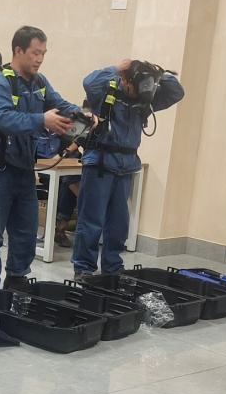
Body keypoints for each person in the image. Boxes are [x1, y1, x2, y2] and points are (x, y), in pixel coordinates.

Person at [0, 26, 86, 291]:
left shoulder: (39, 82)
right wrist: (42, 120)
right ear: (18, 51)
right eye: (35, 53)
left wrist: (83, 115)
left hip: (25, 168)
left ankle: (16, 279)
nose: (39, 59)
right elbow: (3, 119)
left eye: (43, 54)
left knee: (25, 233)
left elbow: (59, 103)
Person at [71, 59, 184, 279]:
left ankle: (113, 266)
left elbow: (176, 92)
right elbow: (89, 82)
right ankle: (83, 268)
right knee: (91, 220)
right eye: (133, 87)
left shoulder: (144, 97)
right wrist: (116, 68)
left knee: (118, 222)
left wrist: (156, 74)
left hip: (125, 166)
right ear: (123, 78)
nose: (136, 93)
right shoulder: (105, 91)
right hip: (100, 163)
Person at [35, 130, 80, 247]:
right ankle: (62, 227)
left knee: (66, 181)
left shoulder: (61, 126)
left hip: (68, 165)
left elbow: (79, 139)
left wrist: (63, 155)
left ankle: (61, 228)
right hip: (47, 171)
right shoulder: (34, 129)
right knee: (67, 179)